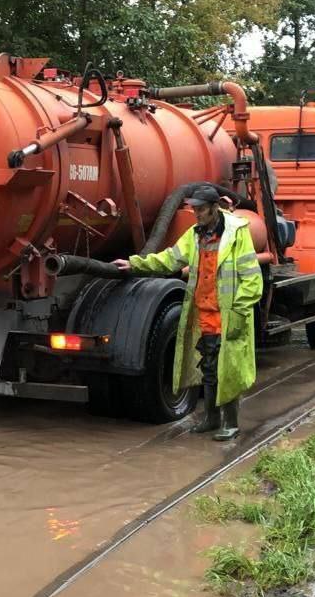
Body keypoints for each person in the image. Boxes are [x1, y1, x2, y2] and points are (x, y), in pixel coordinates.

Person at [112, 185, 264, 440]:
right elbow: (170, 259)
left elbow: (251, 278)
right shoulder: (195, 235)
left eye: (201, 209)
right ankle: (212, 418)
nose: (197, 214)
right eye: (194, 209)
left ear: (215, 208)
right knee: (208, 367)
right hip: (203, 315)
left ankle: (231, 422)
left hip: (227, 316)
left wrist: (238, 311)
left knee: (227, 369)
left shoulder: (236, 234)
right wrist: (135, 264)